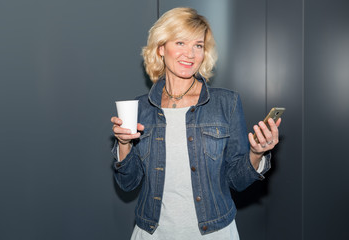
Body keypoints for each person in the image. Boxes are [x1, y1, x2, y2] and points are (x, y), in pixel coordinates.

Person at [111, 7, 281, 240]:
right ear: (161, 48)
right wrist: (123, 144)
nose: (190, 54)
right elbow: (128, 183)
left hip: (215, 233)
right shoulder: (141, 108)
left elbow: (237, 181)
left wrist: (256, 153)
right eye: (180, 43)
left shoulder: (226, 102)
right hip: (152, 233)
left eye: (198, 45)